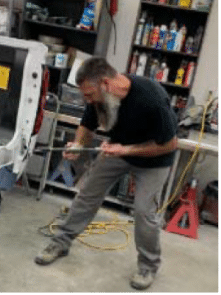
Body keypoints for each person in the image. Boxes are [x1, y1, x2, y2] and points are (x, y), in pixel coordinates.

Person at [35, 57, 178, 290]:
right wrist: (79, 144)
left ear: (105, 83)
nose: (87, 100)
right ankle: (60, 242)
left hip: (155, 158)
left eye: (90, 95)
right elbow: (87, 125)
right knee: (87, 193)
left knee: (144, 212)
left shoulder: (152, 98)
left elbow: (170, 144)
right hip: (118, 151)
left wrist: (127, 149)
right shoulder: (97, 97)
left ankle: (148, 265)